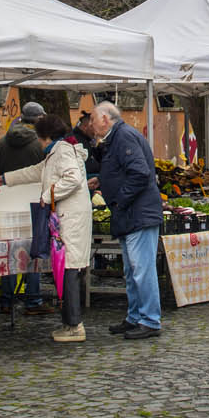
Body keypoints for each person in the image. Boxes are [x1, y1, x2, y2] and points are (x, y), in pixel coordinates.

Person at [0, 116, 91, 342]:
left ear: (45, 137)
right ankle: (70, 324)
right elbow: (36, 171)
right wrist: (6, 179)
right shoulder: (58, 152)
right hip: (69, 218)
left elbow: (72, 179)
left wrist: (47, 196)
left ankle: (74, 326)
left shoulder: (62, 152)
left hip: (71, 219)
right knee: (66, 270)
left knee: (69, 271)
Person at [86, 102, 163, 339]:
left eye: (93, 120)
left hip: (136, 213)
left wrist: (119, 199)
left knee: (142, 269)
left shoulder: (124, 137)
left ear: (106, 119)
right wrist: (104, 179)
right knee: (132, 270)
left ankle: (150, 319)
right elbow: (125, 169)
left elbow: (140, 173)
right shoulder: (116, 138)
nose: (90, 125)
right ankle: (135, 316)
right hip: (130, 213)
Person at [0, 101, 48, 316]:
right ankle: (33, 299)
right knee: (33, 250)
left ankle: (6, 300)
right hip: (33, 202)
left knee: (9, 251)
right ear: (40, 119)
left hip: (6, 203)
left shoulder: (3, 142)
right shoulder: (40, 144)